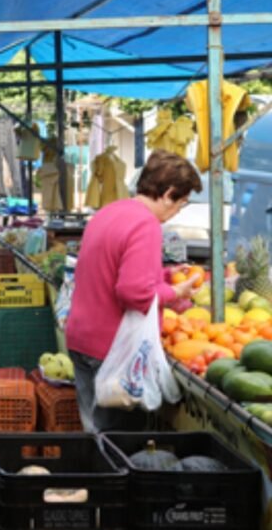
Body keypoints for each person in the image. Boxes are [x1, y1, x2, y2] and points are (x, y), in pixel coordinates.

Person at [66, 150, 202, 433]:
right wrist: (176, 291)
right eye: (182, 203)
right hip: (113, 348)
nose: (177, 211)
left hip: (81, 337)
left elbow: (110, 269)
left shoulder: (110, 212)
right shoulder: (146, 224)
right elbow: (133, 293)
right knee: (118, 444)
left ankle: (93, 477)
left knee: (94, 435)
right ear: (168, 193)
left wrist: (165, 276)